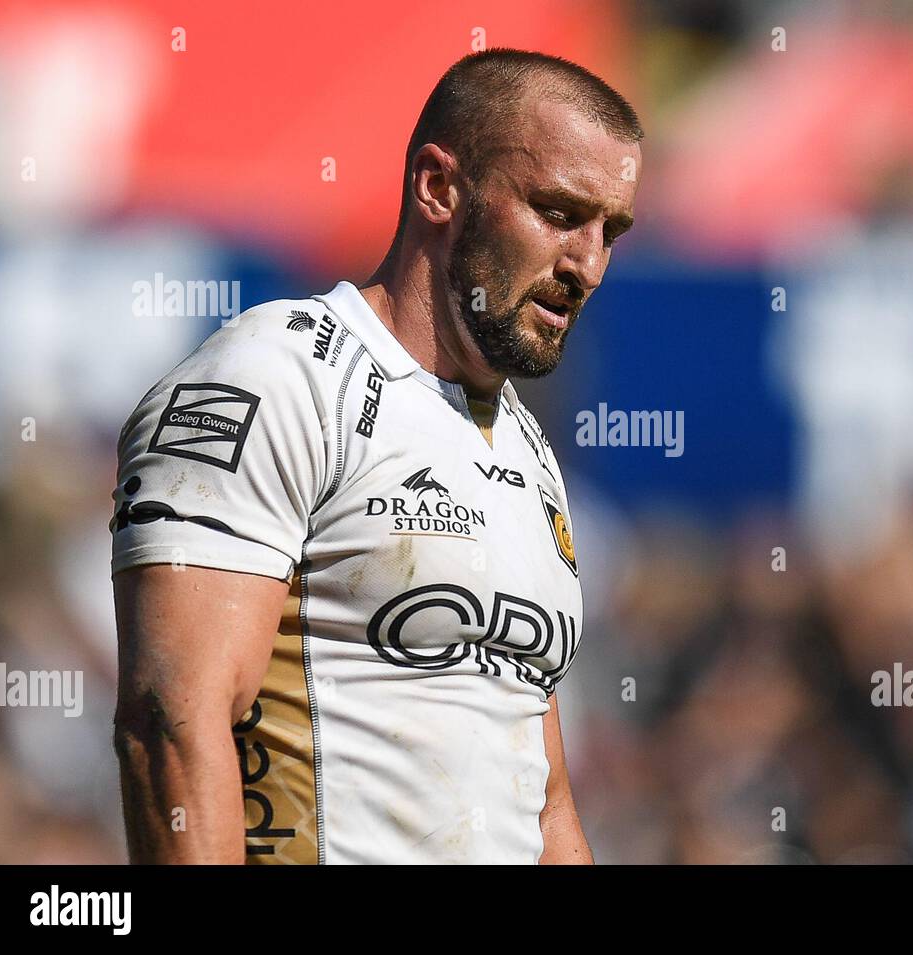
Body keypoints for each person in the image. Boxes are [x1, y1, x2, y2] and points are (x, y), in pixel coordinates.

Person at [109, 48, 642, 864]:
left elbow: (543, 803)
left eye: (612, 230)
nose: (590, 265)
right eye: (560, 212)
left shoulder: (528, 451)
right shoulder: (276, 376)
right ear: (438, 187)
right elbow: (171, 722)